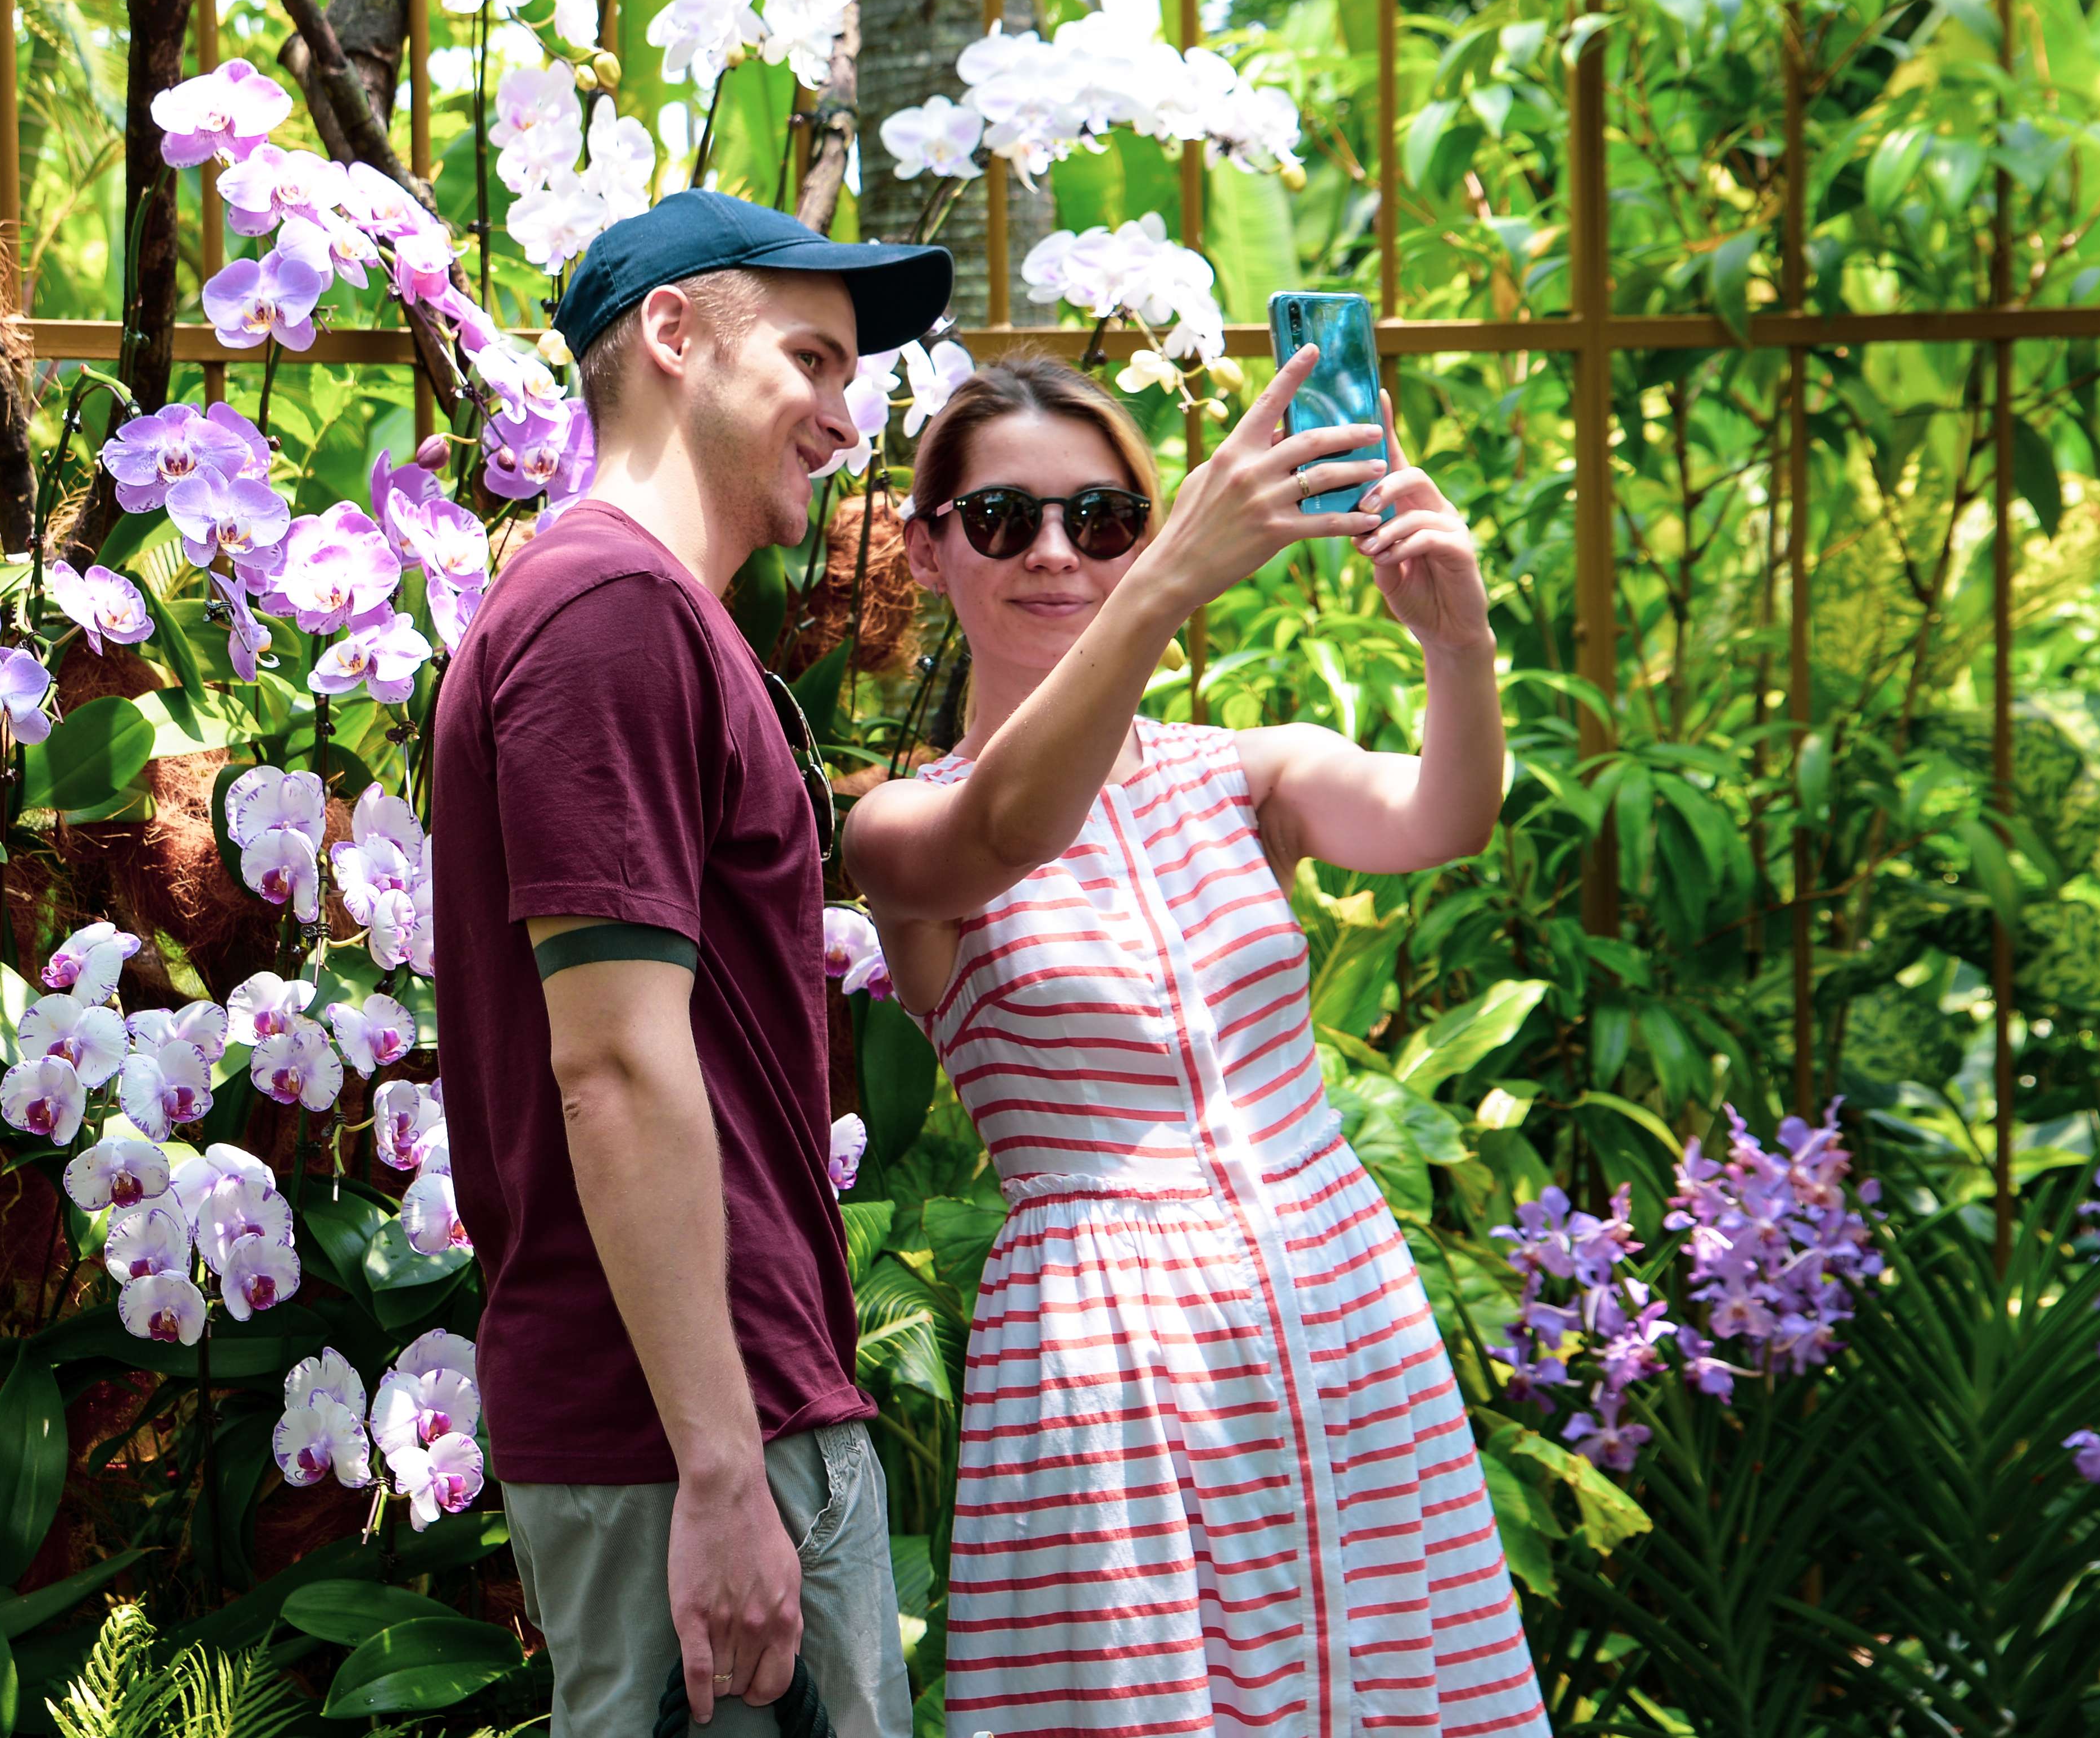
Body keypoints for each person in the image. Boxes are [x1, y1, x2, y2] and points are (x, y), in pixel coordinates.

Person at [842, 353, 1551, 1736]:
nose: (1058, 553)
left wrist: (1458, 643)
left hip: (1343, 1310)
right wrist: (1164, 584)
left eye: (1103, 519)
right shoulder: (901, 830)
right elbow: (1007, 828)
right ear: (929, 551)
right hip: (1107, 1360)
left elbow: (1445, 816)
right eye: (1003, 519)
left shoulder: (1245, 772)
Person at [432, 190, 949, 1735]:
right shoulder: (611, 612)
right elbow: (610, 1062)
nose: (843, 420)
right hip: (693, 1447)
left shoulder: (645, 614)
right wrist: (724, 1465)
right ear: (671, 334)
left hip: (717, 1424)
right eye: (811, 360)